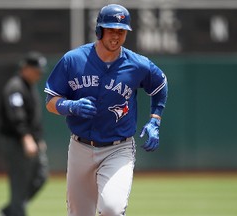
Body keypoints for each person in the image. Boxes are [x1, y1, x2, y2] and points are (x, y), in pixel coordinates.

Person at [44, 4, 168, 216]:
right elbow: (50, 101)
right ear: (99, 30)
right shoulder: (73, 60)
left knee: (112, 208)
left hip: (118, 148)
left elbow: (160, 86)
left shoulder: (138, 65)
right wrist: (69, 106)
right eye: (111, 29)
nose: (116, 36)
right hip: (80, 147)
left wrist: (155, 119)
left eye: (121, 31)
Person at [0, 51, 49, 216]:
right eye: (36, 70)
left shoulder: (29, 86)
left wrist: (38, 138)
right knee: (19, 183)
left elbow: (33, 117)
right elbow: (17, 115)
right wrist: (26, 137)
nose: (39, 74)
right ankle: (15, 210)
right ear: (26, 68)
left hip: (30, 139)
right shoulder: (15, 86)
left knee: (41, 175)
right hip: (17, 141)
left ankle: (11, 209)